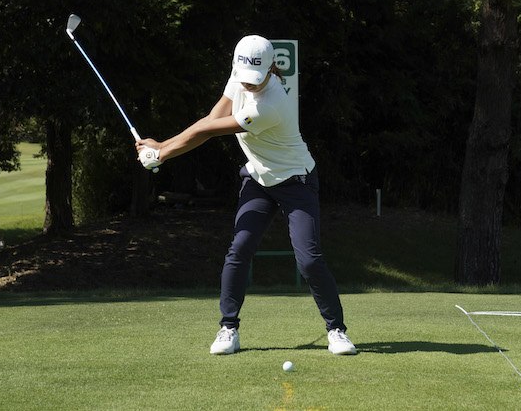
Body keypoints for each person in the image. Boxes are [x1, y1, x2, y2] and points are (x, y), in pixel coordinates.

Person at [136, 34, 357, 356]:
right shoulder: (238, 78)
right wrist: (161, 146)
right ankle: (228, 328)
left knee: (309, 259)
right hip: (258, 178)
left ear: (270, 69)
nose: (249, 84)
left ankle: (336, 330)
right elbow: (209, 119)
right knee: (239, 249)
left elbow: (207, 132)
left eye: (256, 78)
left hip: (296, 181)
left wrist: (161, 154)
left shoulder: (270, 104)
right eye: (244, 77)